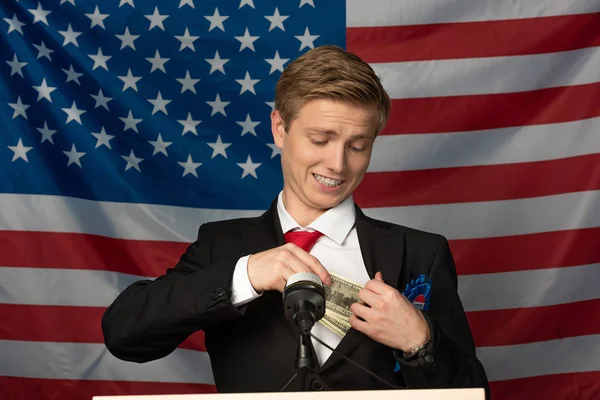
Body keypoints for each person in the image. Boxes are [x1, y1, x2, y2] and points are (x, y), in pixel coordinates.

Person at [102, 45, 490, 396]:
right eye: (320, 140)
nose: (337, 164)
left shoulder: (421, 253)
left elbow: (474, 393)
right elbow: (124, 334)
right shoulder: (223, 247)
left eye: (358, 146)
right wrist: (246, 275)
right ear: (280, 129)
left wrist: (420, 342)